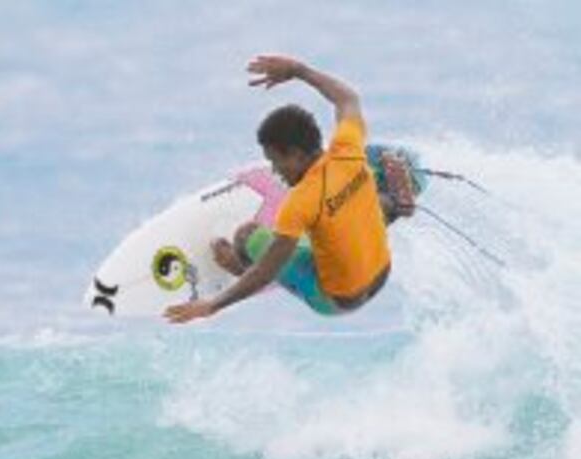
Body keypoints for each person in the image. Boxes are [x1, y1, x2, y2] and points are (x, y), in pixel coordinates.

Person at [165, 55, 416, 323]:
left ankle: (240, 267)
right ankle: (393, 203)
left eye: (276, 161)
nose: (275, 171)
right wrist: (299, 70)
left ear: (295, 155)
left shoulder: (299, 203)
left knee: (247, 236)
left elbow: (267, 269)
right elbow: (347, 98)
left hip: (337, 299)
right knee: (370, 168)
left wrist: (212, 306)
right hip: (381, 274)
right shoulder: (348, 150)